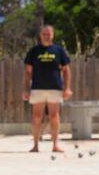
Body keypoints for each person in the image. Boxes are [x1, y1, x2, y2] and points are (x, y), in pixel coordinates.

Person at [23, 25, 72, 153]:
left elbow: (66, 70)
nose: (46, 36)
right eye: (44, 34)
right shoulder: (34, 51)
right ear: (40, 36)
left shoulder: (58, 50)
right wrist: (26, 89)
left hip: (55, 88)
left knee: (54, 116)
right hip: (37, 88)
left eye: (48, 34)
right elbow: (28, 71)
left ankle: (55, 145)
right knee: (36, 116)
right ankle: (35, 145)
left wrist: (67, 88)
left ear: (52, 35)